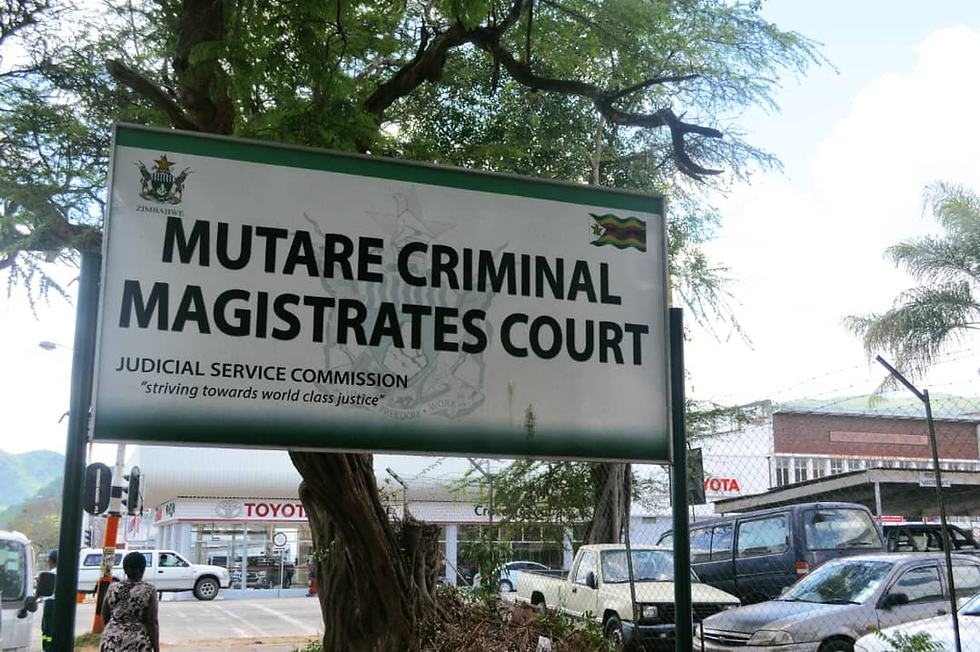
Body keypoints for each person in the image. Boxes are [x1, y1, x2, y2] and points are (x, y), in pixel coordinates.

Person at [100, 551, 160, 652]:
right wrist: (156, 648)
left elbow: (105, 615)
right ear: (143, 569)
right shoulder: (149, 590)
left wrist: (115, 627)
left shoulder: (113, 588)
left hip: (111, 641)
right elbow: (151, 622)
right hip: (136, 643)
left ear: (125, 570)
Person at [40, 549, 57, 651]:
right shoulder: (65, 573)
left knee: (47, 629)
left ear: (51, 560)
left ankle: (48, 648)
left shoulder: (50, 574)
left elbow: (40, 592)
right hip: (59, 604)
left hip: (50, 604)